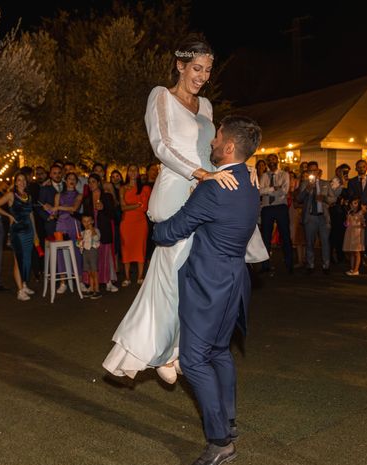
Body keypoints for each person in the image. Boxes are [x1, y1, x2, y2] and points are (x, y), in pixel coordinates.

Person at [103, 36, 264, 384]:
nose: (202, 76)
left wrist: (242, 165)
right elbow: (161, 145)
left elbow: (216, 148)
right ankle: (160, 350)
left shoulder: (206, 106)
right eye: (196, 68)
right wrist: (200, 174)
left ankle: (177, 348)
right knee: (169, 275)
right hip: (178, 191)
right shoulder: (161, 96)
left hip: (205, 194)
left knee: (192, 278)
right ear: (180, 65)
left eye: (207, 70)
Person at [152, 115, 261, 465]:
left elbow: (172, 231)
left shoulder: (215, 188)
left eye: (216, 138)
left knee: (196, 360)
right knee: (218, 352)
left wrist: (155, 221)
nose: (211, 143)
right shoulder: (249, 182)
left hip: (208, 283)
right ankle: (228, 421)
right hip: (235, 280)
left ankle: (220, 442)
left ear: (228, 147)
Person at [0, 172, 38, 301]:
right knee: (18, 261)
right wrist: (9, 216)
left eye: (24, 180)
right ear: (15, 182)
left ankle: (24, 285)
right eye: (19, 180)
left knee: (27, 260)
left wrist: (35, 233)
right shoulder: (11, 195)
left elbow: (31, 214)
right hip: (17, 232)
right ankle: (19, 291)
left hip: (29, 231)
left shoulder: (28, 196)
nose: (22, 182)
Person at [297, 162, 336, 274]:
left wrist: (324, 198)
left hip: (323, 217)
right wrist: (308, 189)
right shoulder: (304, 184)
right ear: (308, 172)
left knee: (325, 242)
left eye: (314, 170)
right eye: (310, 171)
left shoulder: (325, 183)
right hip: (310, 217)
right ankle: (310, 265)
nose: (313, 172)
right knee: (309, 242)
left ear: (318, 171)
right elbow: (299, 199)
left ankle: (326, 265)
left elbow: (333, 198)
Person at [82, 173, 118, 292]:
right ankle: (92, 284)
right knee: (92, 258)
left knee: (105, 256)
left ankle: (108, 281)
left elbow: (113, 214)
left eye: (93, 181)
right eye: (89, 182)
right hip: (92, 232)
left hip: (104, 230)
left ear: (98, 183)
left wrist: (104, 208)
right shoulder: (87, 199)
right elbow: (85, 216)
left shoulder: (107, 196)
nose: (91, 184)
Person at [258, 153, 293, 273]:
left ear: (278, 161)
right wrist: (273, 189)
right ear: (267, 162)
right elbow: (259, 191)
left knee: (285, 236)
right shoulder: (264, 176)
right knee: (266, 237)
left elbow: (284, 191)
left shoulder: (284, 174)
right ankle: (265, 264)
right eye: (269, 160)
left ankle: (289, 263)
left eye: (273, 159)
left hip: (280, 207)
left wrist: (267, 191)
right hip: (267, 208)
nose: (271, 162)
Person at [119, 164, 151, 286]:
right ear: (127, 173)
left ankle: (140, 276)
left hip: (140, 223)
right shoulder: (123, 188)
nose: (132, 172)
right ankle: (126, 277)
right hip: (126, 223)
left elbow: (145, 208)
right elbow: (123, 207)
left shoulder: (144, 188)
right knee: (126, 249)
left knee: (140, 249)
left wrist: (132, 206)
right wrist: (137, 205)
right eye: (130, 170)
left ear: (138, 173)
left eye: (135, 170)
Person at [53, 172, 83, 294]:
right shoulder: (58, 195)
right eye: (69, 178)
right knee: (60, 254)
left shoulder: (79, 195)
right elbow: (54, 213)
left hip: (74, 224)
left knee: (77, 252)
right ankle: (63, 283)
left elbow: (74, 208)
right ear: (65, 180)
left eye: (74, 179)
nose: (71, 181)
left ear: (76, 182)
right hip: (61, 225)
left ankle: (80, 282)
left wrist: (58, 208)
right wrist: (50, 211)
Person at [78, 214, 101, 299]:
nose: (87, 223)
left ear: (92, 222)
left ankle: (97, 290)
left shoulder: (96, 230)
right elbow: (79, 245)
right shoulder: (82, 233)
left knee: (94, 272)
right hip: (85, 253)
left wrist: (92, 230)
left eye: (88, 221)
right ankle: (91, 288)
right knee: (89, 272)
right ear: (82, 222)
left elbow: (96, 239)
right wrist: (79, 242)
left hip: (92, 252)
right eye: (84, 221)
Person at [342, 196, 366, 276]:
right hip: (350, 232)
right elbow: (346, 225)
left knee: (356, 252)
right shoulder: (349, 213)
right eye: (352, 203)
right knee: (352, 252)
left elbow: (363, 224)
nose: (353, 205)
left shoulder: (360, 213)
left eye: (355, 203)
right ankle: (352, 269)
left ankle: (356, 269)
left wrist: (363, 223)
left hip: (357, 234)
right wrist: (346, 220)